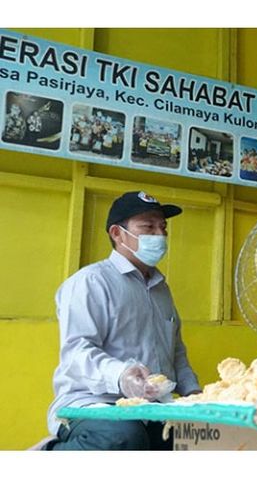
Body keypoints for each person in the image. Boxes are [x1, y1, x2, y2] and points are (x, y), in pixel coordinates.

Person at [44, 191, 201, 450]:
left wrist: (194, 394)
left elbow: (177, 352)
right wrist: (122, 375)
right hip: (94, 401)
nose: (160, 235)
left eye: (163, 227)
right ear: (117, 234)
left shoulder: (162, 289)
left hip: (152, 407)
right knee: (122, 439)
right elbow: (76, 351)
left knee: (198, 439)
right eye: (148, 227)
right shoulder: (91, 282)